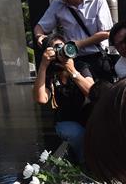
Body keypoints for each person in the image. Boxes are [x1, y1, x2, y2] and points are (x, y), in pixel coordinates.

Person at [33, 0, 114, 82]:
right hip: (74, 60)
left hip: (99, 57)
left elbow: (106, 33)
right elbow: (39, 27)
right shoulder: (58, 4)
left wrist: (79, 44)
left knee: (104, 94)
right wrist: (39, 37)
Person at [32, 32, 94, 162]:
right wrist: (43, 66)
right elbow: (41, 99)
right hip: (64, 123)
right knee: (77, 133)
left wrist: (73, 72)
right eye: (57, 48)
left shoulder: (80, 67)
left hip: (87, 118)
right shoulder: (50, 75)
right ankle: (85, 165)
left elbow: (93, 92)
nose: (62, 51)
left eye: (63, 46)